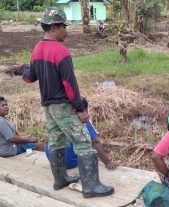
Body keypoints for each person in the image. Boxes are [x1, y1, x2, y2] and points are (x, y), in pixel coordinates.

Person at [13, 7, 114, 198]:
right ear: (53, 27)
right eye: (63, 27)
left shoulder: (37, 49)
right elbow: (69, 84)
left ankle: (60, 179)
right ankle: (91, 187)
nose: (66, 31)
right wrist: (80, 108)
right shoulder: (61, 51)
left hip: (48, 107)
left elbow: (30, 77)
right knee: (84, 142)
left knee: (57, 141)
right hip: (63, 106)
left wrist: (22, 69)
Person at [45, 97, 117, 170]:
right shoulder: (84, 121)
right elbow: (95, 142)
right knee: (90, 148)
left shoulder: (58, 116)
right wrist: (107, 162)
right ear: (85, 110)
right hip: (68, 162)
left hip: (52, 158)